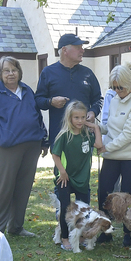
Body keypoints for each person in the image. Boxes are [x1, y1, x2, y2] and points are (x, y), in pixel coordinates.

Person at [0, 56, 48, 237]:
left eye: (14, 70)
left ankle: (16, 227)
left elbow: (37, 117)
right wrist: (2, 138)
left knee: (23, 188)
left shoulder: (27, 90)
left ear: (19, 73)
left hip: (31, 147)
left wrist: (43, 139)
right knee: (3, 189)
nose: (10, 74)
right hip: (5, 148)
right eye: (6, 70)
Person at [96, 64, 131, 248]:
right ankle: (105, 230)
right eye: (114, 87)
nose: (117, 91)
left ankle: (129, 233)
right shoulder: (115, 100)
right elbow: (110, 127)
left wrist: (106, 147)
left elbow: (128, 135)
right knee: (104, 192)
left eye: (121, 87)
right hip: (112, 153)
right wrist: (93, 125)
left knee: (127, 196)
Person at [36, 33, 103, 148]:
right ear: (64, 50)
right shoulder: (48, 73)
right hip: (59, 136)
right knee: (61, 167)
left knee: (84, 167)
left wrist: (93, 112)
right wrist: (51, 101)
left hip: (84, 136)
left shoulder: (88, 73)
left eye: (82, 48)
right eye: (78, 48)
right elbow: (38, 100)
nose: (82, 51)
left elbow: (98, 99)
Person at [51, 100, 95, 251]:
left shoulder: (87, 135)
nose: (80, 121)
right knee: (66, 207)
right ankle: (64, 236)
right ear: (69, 118)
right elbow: (55, 154)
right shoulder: (64, 135)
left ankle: (80, 235)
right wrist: (62, 172)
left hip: (82, 178)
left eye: (83, 117)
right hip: (65, 178)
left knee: (83, 208)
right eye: (76, 117)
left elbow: (100, 145)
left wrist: (95, 127)